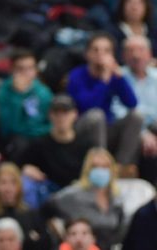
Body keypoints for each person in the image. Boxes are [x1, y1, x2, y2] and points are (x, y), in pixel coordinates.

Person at [66, 33, 143, 167]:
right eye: (95, 50)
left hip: (107, 127)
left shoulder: (112, 75)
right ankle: (101, 165)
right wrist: (103, 81)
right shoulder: (77, 75)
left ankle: (121, 166)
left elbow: (132, 103)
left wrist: (120, 79)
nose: (100, 54)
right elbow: (86, 106)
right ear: (87, 54)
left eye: (106, 51)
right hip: (82, 128)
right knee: (97, 115)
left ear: (112, 55)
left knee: (136, 116)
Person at [45, 149, 127, 250]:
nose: (100, 171)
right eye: (95, 166)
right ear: (87, 169)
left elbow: (120, 230)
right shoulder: (73, 195)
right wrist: (55, 235)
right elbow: (45, 209)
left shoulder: (116, 199)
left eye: (105, 166)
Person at [18, 95, 92, 196]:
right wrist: (25, 168)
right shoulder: (39, 144)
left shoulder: (85, 144)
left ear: (75, 114)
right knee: (27, 182)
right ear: (50, 115)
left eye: (65, 113)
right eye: (56, 113)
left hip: (77, 194)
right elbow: (17, 164)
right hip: (48, 194)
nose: (61, 118)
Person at [0, 50, 53, 154]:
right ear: (12, 70)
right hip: (17, 138)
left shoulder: (43, 92)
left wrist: (39, 132)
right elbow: (9, 127)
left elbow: (50, 123)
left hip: (39, 136)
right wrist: (18, 95)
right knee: (20, 144)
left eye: (30, 68)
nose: (26, 72)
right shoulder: (4, 92)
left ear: (36, 70)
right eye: (21, 68)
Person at [112, 35, 157, 164]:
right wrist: (143, 133)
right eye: (131, 50)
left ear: (150, 54)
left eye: (141, 50)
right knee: (135, 120)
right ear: (123, 56)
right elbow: (116, 111)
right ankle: (122, 168)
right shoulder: (117, 77)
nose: (136, 55)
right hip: (129, 129)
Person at [0, 164, 51, 250]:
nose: (8, 188)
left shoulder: (31, 215)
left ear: (19, 186)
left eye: (13, 182)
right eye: (3, 183)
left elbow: (45, 243)